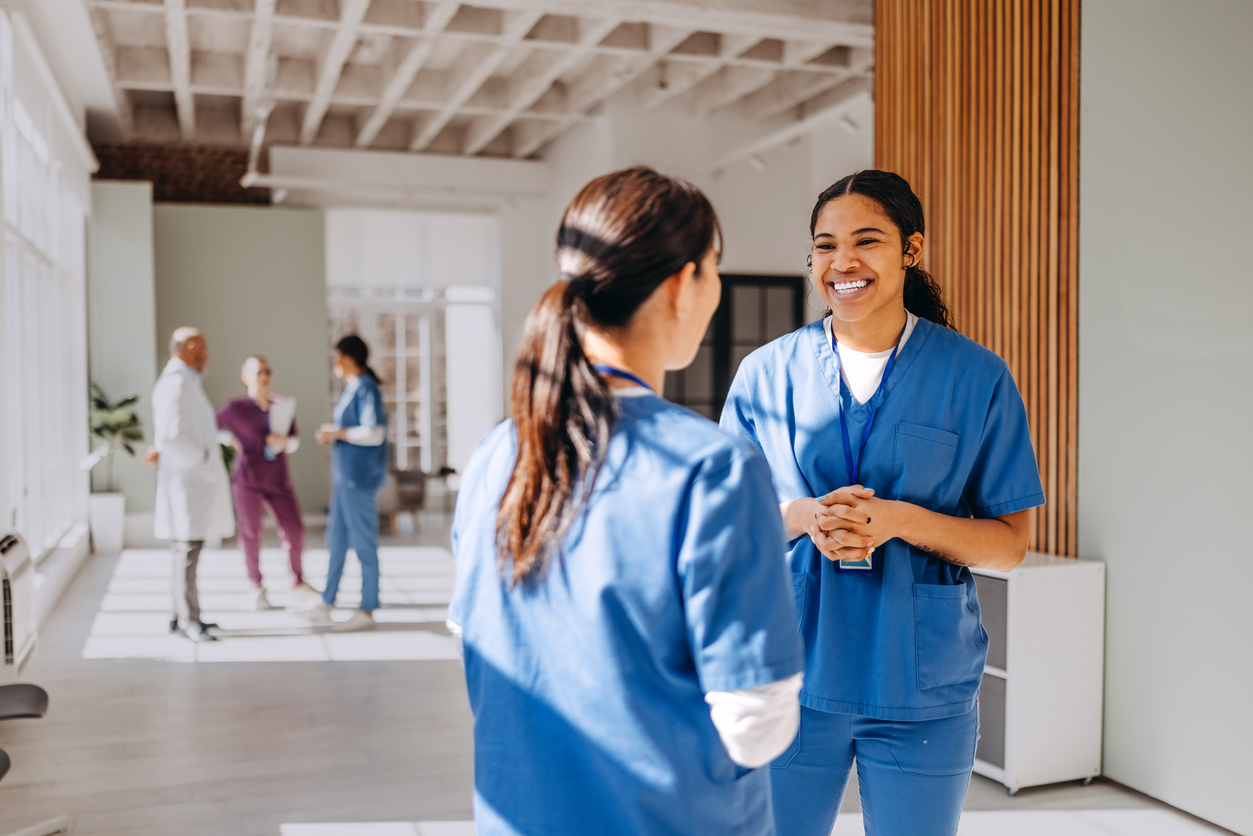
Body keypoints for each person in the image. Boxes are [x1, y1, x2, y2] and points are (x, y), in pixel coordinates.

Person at [448, 167, 806, 836]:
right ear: (681, 284)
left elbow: (480, 651)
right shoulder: (712, 468)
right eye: (714, 269)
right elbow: (753, 723)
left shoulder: (495, 456)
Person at [720, 170, 1046, 836]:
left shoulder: (975, 376)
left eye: (865, 240)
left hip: (918, 686)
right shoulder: (765, 373)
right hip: (788, 674)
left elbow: (1010, 543)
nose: (842, 262)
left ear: (911, 250)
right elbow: (728, 525)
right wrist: (803, 517)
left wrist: (902, 521)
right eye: (824, 245)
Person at [147, 327, 236, 643]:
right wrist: (201, 460)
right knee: (186, 552)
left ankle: (181, 615)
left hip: (190, 481)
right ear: (191, 347)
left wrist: (214, 444)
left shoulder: (185, 383)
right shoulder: (175, 385)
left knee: (185, 551)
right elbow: (172, 436)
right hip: (188, 482)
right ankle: (188, 620)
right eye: (204, 348)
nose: (207, 355)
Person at [216, 356, 317, 610]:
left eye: (267, 371)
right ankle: (256, 585)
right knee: (251, 533)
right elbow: (211, 427)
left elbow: (294, 439)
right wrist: (230, 439)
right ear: (245, 376)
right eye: (258, 372)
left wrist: (283, 443)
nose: (264, 376)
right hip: (248, 479)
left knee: (294, 529)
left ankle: (297, 581)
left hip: (278, 479)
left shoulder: (281, 405)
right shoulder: (236, 407)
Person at [301, 335, 387, 633]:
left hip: (358, 479)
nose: (334, 362)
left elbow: (374, 433)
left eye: (337, 356)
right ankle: (327, 602)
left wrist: (337, 434)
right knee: (336, 540)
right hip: (345, 479)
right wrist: (336, 434)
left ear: (348, 358)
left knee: (364, 543)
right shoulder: (354, 388)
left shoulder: (366, 387)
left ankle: (367, 609)